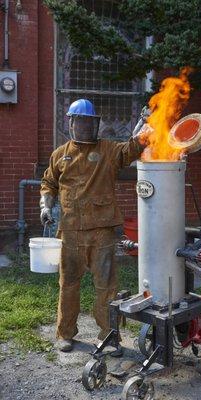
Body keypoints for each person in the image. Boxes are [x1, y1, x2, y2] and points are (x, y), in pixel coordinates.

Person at [40, 99, 147, 353]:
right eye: (81, 121)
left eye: (90, 122)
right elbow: (48, 183)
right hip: (71, 231)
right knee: (68, 285)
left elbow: (132, 148)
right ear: (71, 123)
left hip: (102, 231)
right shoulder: (60, 154)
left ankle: (109, 335)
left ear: (95, 123)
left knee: (106, 287)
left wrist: (145, 122)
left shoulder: (109, 150)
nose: (86, 126)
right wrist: (45, 206)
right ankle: (65, 333)